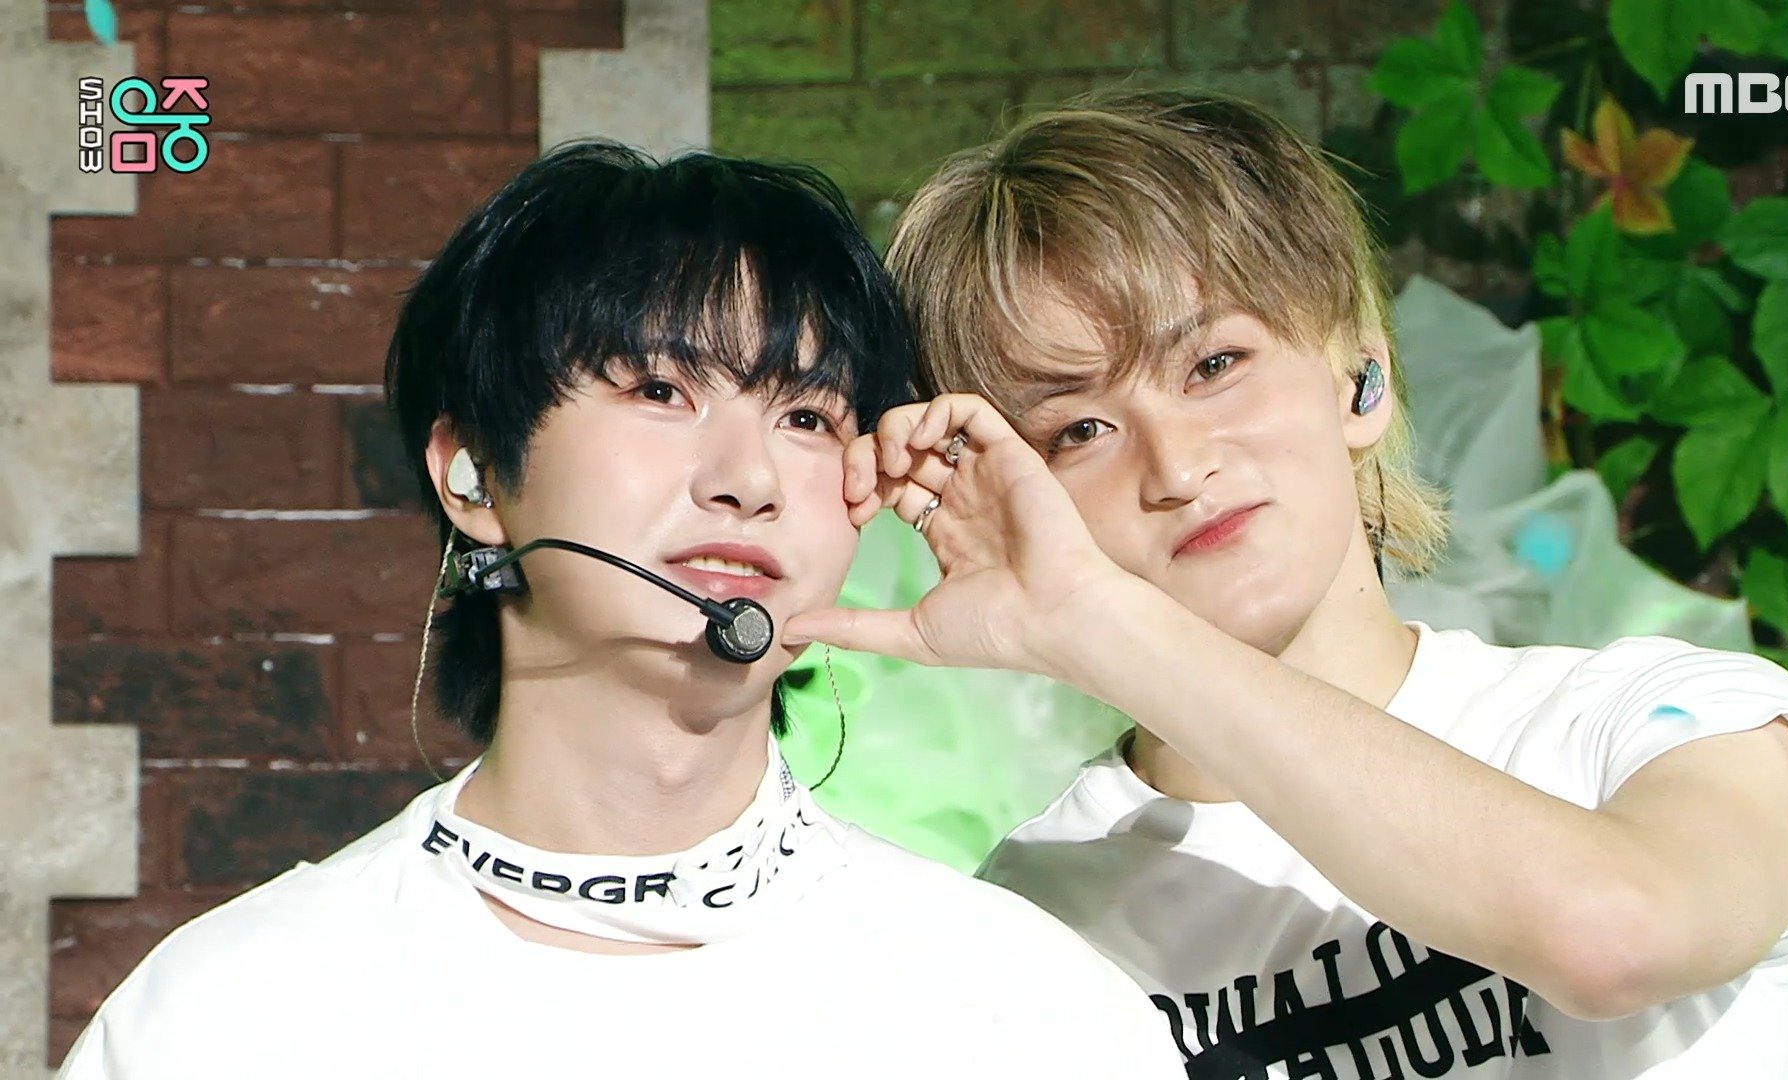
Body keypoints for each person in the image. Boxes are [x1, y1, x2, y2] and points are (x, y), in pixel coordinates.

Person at [783, 90, 1788, 1078]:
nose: (1176, 467)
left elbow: (1616, 937)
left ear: (1363, 375)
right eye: (1078, 431)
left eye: (1214, 365)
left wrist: (1098, 624)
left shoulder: (1670, 723)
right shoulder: (1039, 911)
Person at [58, 142, 1186, 1080]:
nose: (746, 478)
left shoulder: (1017, 1002)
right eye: (659, 390)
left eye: (806, 417)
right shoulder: (231, 1014)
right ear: (474, 476)